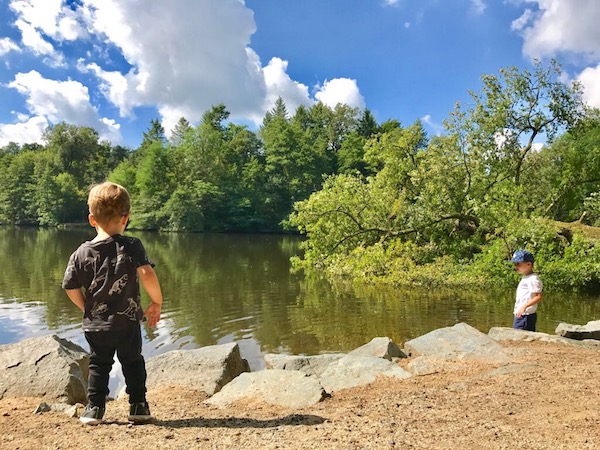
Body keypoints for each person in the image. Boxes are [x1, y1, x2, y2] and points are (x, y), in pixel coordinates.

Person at [62, 182, 163, 425]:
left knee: (98, 364)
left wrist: (86, 307)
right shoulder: (131, 246)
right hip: (127, 322)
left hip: (96, 325)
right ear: (125, 218)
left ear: (91, 219)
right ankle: (138, 406)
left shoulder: (81, 253)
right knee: (133, 362)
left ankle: (94, 409)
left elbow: (70, 287)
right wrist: (157, 301)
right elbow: (147, 274)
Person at [511, 249, 542, 332]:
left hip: (526, 315)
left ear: (529, 264)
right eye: (515, 264)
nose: (516, 267)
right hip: (521, 314)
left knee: (519, 337)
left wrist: (524, 306)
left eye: (518, 264)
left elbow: (538, 297)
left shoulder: (533, 279)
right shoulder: (526, 277)